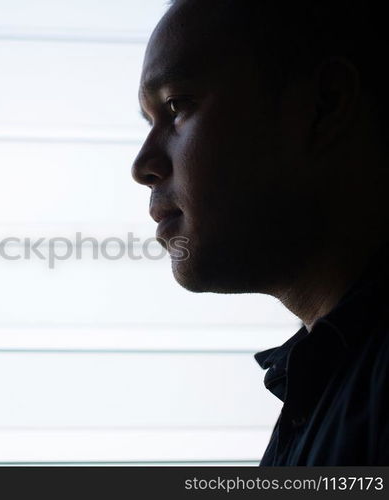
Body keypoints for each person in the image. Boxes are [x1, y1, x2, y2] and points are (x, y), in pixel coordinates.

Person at [131, 0, 389, 465]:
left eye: (177, 106)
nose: (142, 166)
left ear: (323, 105)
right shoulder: (323, 384)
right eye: (150, 122)